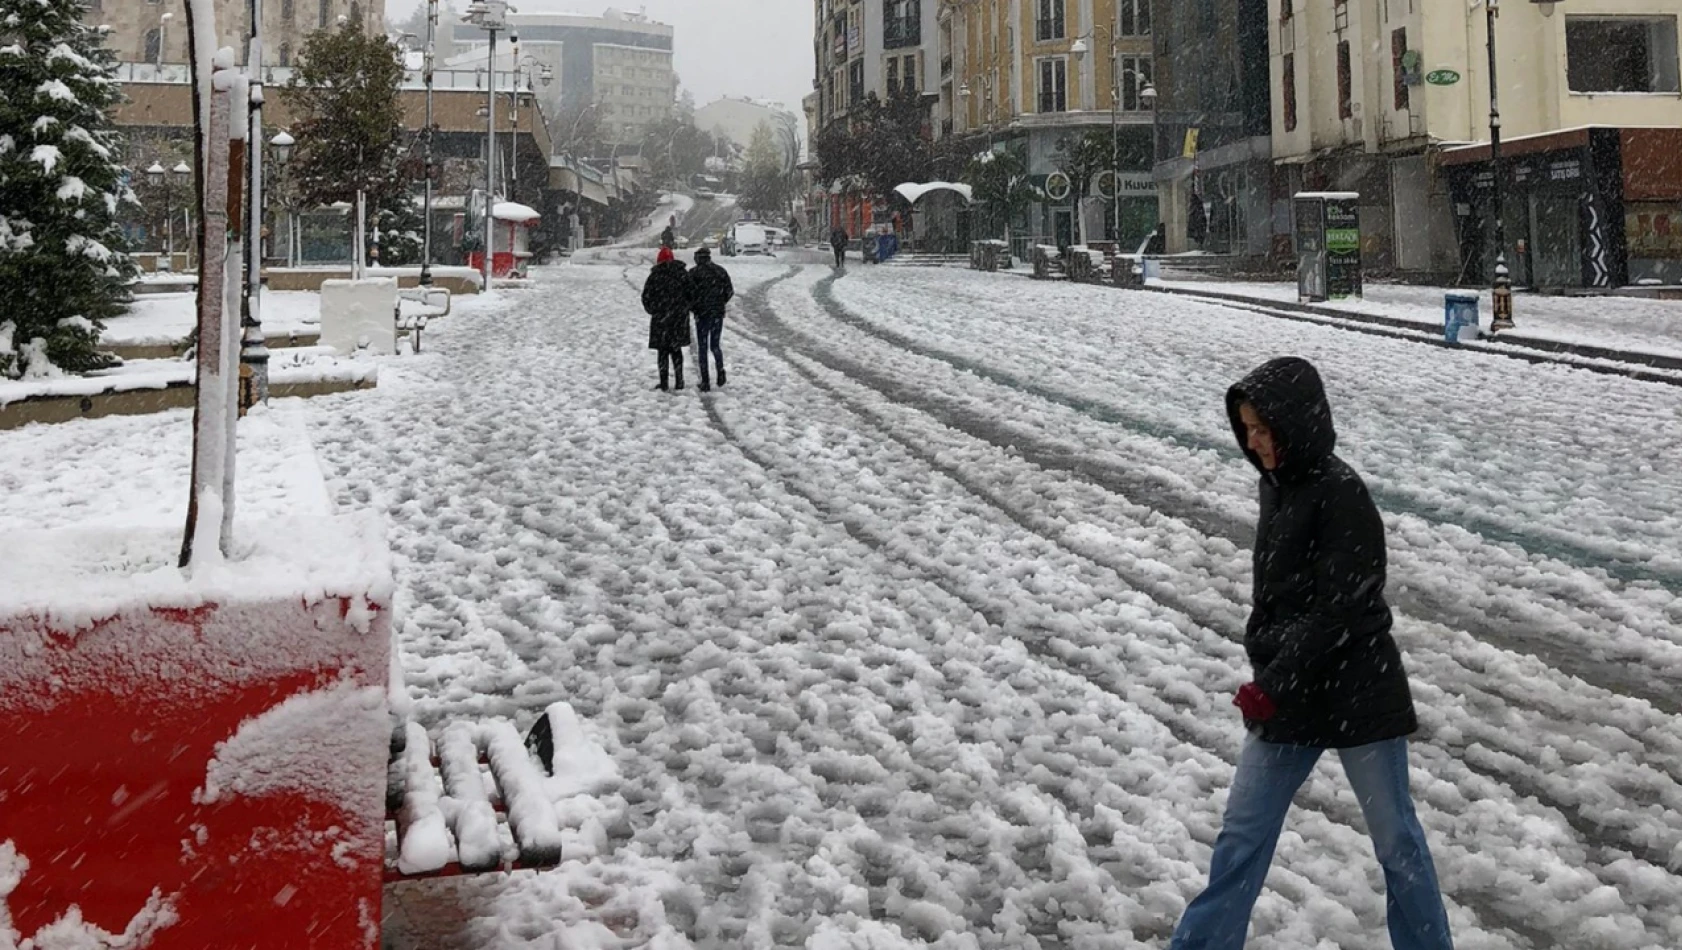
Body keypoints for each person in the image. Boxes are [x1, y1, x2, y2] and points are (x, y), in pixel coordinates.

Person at [1168, 357, 1453, 950]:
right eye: (1247, 429)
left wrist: (1273, 679)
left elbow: (1341, 610)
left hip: (1357, 692)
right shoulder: (1277, 484)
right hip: (1289, 698)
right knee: (1240, 840)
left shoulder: (1341, 493)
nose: (1255, 442)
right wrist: (1266, 662)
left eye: (1264, 429)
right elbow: (1277, 597)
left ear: (1295, 423)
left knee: (1397, 845)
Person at [685, 246, 734, 393]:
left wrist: (694, 307)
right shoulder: (720, 271)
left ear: (697, 258)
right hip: (717, 313)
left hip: (702, 315)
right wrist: (720, 302)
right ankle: (720, 372)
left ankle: (705, 381)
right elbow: (729, 291)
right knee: (715, 345)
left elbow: (688, 294)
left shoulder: (693, 273)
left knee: (702, 347)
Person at [641, 247, 691, 391]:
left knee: (662, 351)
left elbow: (646, 297)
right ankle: (679, 380)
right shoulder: (682, 274)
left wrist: (654, 311)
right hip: (679, 319)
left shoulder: (655, 276)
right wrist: (683, 308)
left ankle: (664, 382)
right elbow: (692, 293)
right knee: (676, 350)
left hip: (661, 319)